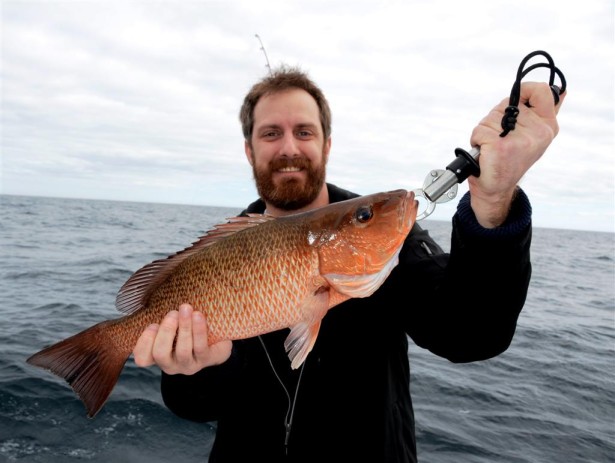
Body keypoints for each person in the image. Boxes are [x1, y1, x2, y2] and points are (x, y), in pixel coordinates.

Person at [132, 64, 565, 462]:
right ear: (249, 150)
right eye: (270, 134)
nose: (288, 147)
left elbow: (471, 334)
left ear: (326, 144)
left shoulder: (390, 243)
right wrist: (202, 368)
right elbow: (192, 406)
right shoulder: (221, 256)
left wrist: (492, 201)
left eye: (304, 131)